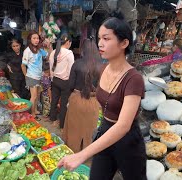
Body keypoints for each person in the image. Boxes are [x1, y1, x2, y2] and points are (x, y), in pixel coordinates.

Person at [58, 14, 146, 180]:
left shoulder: (134, 79)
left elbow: (123, 126)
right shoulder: (104, 69)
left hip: (127, 141)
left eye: (106, 38)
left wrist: (81, 155)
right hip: (104, 132)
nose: (100, 43)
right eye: (99, 38)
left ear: (124, 43)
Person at [63, 38, 102, 153]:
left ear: (82, 50)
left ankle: (72, 151)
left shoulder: (77, 64)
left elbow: (70, 85)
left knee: (74, 128)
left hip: (77, 99)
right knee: (89, 130)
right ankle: (86, 152)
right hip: (94, 102)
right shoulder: (101, 66)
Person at [49, 34, 74, 129]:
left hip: (55, 80)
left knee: (54, 101)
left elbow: (51, 68)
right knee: (64, 104)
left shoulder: (53, 52)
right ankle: (62, 124)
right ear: (68, 42)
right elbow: (70, 70)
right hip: (65, 82)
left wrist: (52, 79)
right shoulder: (69, 53)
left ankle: (53, 119)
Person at [21, 31, 48, 118]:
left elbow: (47, 56)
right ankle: (32, 113)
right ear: (30, 39)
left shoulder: (39, 50)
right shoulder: (27, 51)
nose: (36, 40)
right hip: (31, 77)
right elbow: (23, 65)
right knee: (34, 96)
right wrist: (26, 76)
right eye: (34, 38)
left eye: (37, 38)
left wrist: (49, 46)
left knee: (37, 95)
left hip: (38, 76)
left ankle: (35, 110)